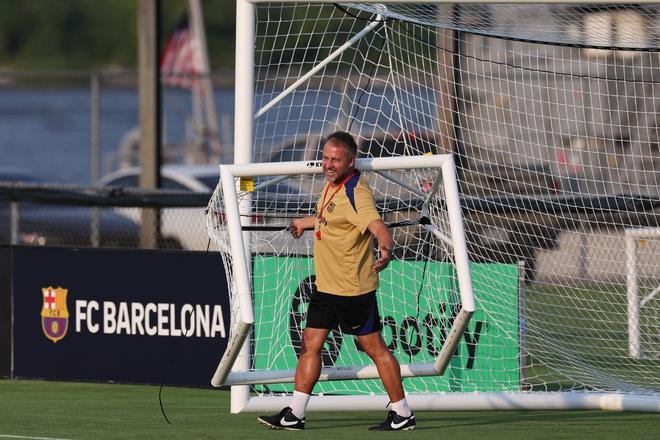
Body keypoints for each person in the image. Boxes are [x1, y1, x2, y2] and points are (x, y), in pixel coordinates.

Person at [257, 131, 415, 431]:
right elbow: (334, 220)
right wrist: (306, 222)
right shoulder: (332, 185)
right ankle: (296, 413)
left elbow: (377, 226)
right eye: (326, 158)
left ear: (351, 161)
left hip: (352, 290)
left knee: (375, 349)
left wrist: (386, 247)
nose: (328, 164)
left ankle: (403, 412)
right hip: (326, 287)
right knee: (310, 345)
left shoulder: (357, 191)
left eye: (335, 159)